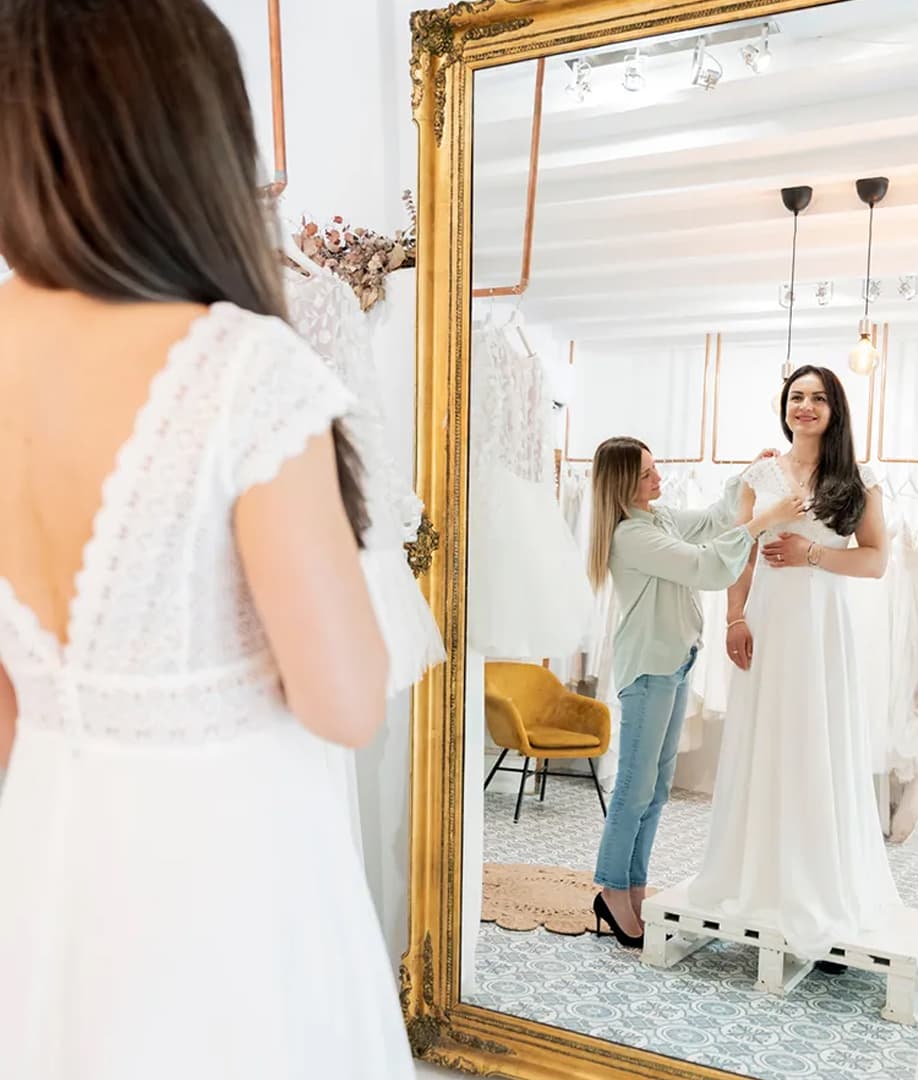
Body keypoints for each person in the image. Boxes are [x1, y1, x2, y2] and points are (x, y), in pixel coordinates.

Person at [0, 1, 414, 1076]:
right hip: (221, 869)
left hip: (47, 846)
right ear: (193, 136)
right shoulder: (237, 368)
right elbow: (344, 701)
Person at [688, 365, 900, 960]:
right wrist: (734, 618)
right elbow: (742, 554)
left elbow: (875, 561)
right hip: (768, 622)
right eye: (796, 396)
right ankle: (757, 880)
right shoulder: (758, 475)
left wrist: (812, 553)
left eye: (818, 398)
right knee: (767, 739)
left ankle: (821, 887)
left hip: (822, 627)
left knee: (816, 741)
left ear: (835, 410)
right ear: (785, 406)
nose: (805, 406)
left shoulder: (858, 478)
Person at [587, 437, 803, 947]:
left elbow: (711, 522)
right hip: (649, 669)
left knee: (657, 788)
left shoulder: (657, 518)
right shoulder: (630, 536)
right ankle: (612, 889)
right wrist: (763, 520)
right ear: (623, 484)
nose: (657, 478)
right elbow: (705, 567)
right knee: (634, 787)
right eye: (646, 473)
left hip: (675, 662)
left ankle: (633, 885)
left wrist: (748, 476)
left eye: (654, 467)